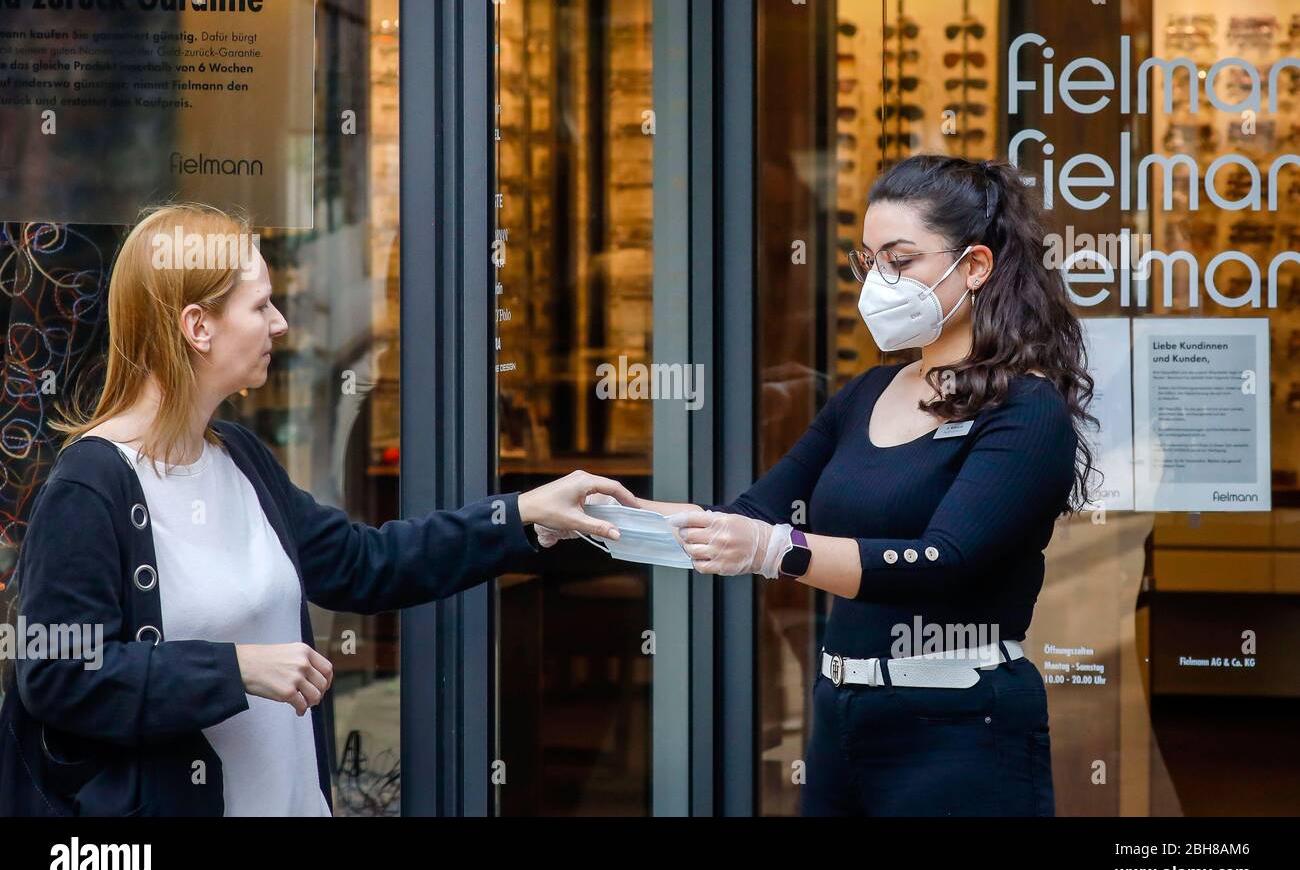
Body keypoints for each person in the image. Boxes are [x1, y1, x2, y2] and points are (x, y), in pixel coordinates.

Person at [0, 202, 634, 817]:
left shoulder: (239, 457)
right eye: (260, 305)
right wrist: (235, 668)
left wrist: (522, 515)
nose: (279, 324)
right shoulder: (90, 487)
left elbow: (367, 563)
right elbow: (59, 675)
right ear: (198, 327)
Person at [580, 155, 1100, 815]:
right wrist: (599, 511)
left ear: (974, 267)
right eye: (869, 261)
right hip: (842, 714)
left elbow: (944, 561)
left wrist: (775, 551)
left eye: (901, 260)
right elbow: (746, 515)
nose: (878, 281)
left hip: (962, 726)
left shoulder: (1026, 411)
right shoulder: (867, 393)